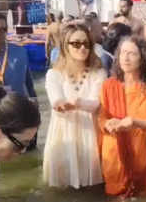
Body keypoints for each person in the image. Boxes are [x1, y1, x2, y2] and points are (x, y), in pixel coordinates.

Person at [99, 35, 146, 197]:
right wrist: (108, 124)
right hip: (115, 154)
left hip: (144, 154)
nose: (126, 57)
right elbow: (101, 117)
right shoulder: (109, 86)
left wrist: (135, 122)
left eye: (132, 53)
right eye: (123, 52)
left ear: (143, 59)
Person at [43, 24, 106, 188]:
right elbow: (55, 98)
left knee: (91, 188)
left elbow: (96, 103)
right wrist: (60, 104)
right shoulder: (54, 74)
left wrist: (77, 103)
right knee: (62, 187)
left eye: (86, 43)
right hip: (64, 130)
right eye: (76, 43)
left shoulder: (98, 72)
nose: (82, 47)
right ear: (65, 45)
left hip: (89, 130)